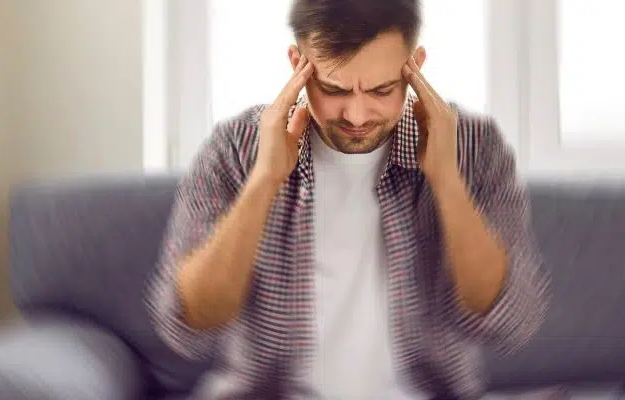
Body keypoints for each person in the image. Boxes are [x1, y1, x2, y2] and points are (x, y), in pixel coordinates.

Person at [148, 0, 550, 398]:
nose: (356, 116)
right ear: (297, 65)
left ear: (414, 67)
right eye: (333, 89)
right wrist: (264, 180)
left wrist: (446, 179)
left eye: (381, 89)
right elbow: (189, 324)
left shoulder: (475, 146)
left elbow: (510, 320)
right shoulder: (234, 147)